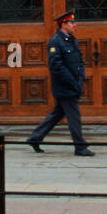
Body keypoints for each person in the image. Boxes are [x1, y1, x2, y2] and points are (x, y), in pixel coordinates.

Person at [26, 11, 94, 156]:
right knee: (74, 116)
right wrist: (71, 81)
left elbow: (79, 61)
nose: (75, 25)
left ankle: (35, 138)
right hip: (64, 86)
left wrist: (80, 77)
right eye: (72, 23)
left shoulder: (71, 40)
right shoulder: (55, 41)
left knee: (57, 114)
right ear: (63, 24)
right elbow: (56, 66)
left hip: (73, 83)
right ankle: (80, 146)